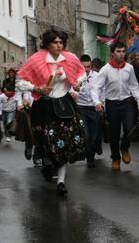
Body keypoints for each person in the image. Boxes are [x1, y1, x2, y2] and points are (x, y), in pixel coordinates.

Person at [16, 29, 87, 196]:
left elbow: (82, 72)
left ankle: (61, 182)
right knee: (47, 142)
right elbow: (20, 80)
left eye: (61, 42)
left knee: (65, 142)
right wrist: (36, 88)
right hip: (45, 105)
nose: (59, 45)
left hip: (64, 104)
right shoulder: (36, 60)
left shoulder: (70, 58)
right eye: (55, 42)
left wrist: (78, 83)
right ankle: (47, 162)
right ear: (47, 44)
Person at [91, 41, 139, 171]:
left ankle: (124, 147)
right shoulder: (106, 70)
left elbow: (134, 86)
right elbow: (96, 87)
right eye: (118, 52)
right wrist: (97, 101)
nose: (121, 54)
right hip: (112, 104)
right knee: (113, 134)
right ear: (113, 53)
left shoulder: (129, 68)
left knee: (130, 129)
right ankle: (115, 157)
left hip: (127, 103)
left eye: (123, 51)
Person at [76, 54, 103, 168]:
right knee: (86, 134)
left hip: (94, 108)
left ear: (91, 66)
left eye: (88, 67)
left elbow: (103, 90)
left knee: (94, 135)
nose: (86, 69)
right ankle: (90, 158)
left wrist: (102, 104)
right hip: (81, 107)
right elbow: (72, 90)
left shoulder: (97, 76)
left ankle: (93, 151)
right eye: (83, 67)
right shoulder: (76, 77)